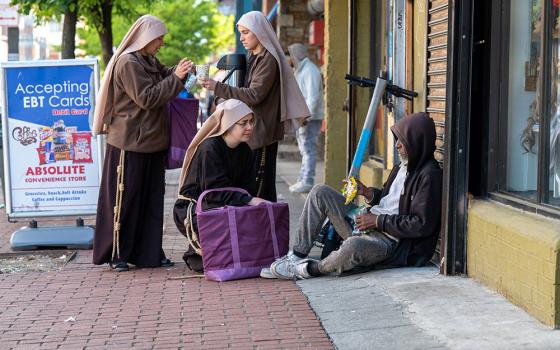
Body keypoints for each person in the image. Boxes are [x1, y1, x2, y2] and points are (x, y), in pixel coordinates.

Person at [265, 113, 443, 279]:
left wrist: (377, 221)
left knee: (353, 247)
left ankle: (309, 269)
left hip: (390, 243)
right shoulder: (401, 166)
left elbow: (421, 225)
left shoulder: (430, 175)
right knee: (320, 192)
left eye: (402, 141)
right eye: (398, 140)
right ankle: (296, 256)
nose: (397, 145)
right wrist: (367, 192)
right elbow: (390, 200)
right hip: (364, 224)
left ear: (416, 142)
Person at [92, 15, 193, 272]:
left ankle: (148, 254)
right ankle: (118, 253)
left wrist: (180, 71)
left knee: (150, 201)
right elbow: (147, 98)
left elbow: (164, 76)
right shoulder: (128, 62)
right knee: (125, 200)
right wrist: (176, 78)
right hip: (130, 143)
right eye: (158, 38)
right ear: (145, 38)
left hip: (152, 141)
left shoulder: (146, 59)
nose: (161, 43)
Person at [200, 11, 310, 202]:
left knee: (261, 188)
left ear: (258, 32)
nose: (241, 38)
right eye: (241, 33)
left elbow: (255, 95)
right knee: (251, 186)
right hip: (253, 130)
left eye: (245, 33)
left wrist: (217, 87)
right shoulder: (255, 56)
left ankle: (265, 228)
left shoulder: (268, 60)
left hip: (263, 133)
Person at [173, 99, 269, 272]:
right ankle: (198, 253)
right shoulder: (210, 148)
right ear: (228, 124)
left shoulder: (245, 150)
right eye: (243, 123)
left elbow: (248, 188)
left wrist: (250, 202)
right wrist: (247, 200)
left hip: (226, 203)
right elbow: (213, 193)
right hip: (197, 207)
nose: (250, 127)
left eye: (251, 122)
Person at [287, 43, 325, 193]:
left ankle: (307, 180)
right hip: (303, 117)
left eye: (290, 55)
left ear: (296, 55)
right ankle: (303, 179)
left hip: (310, 118)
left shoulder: (310, 71)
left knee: (308, 149)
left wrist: (304, 117)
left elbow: (313, 98)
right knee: (304, 149)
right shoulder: (301, 70)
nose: (289, 58)